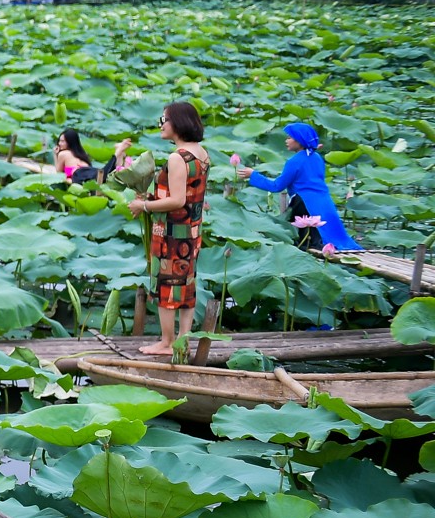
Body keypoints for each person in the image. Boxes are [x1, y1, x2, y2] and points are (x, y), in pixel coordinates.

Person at [114, 101, 211, 358]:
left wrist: (143, 205)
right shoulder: (201, 153)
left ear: (177, 123)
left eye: (164, 120)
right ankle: (183, 339)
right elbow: (192, 194)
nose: (161, 125)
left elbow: (178, 200)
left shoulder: (177, 157)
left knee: (167, 283)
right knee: (186, 284)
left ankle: (167, 342)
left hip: (171, 231)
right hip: (191, 230)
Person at [238, 122, 360, 253]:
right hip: (324, 201)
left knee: (307, 243)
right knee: (331, 237)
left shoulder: (294, 161)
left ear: (299, 141)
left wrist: (253, 175)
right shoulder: (317, 158)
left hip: (304, 203)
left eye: (290, 138)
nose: (286, 140)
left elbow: (276, 186)